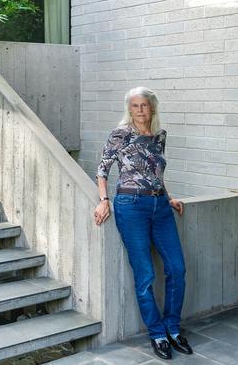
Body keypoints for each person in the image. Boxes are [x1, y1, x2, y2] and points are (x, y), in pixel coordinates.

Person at [93, 87, 191, 360]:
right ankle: (157, 333)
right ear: (129, 109)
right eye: (135, 105)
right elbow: (103, 169)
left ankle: (173, 327)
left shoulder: (160, 136)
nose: (140, 110)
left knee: (177, 268)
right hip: (130, 206)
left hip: (160, 207)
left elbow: (155, 172)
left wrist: (168, 197)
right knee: (146, 275)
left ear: (152, 108)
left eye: (144, 105)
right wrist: (104, 200)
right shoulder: (120, 134)